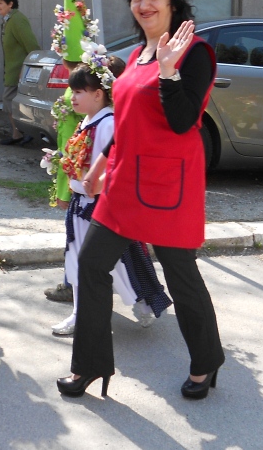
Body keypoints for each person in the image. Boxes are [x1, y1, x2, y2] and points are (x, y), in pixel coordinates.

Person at [57, 0, 224, 402]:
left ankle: (206, 361)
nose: (144, 4)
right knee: (92, 264)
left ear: (172, 3)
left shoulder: (196, 54)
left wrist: (169, 72)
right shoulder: (134, 56)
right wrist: (98, 167)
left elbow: (183, 120)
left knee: (181, 275)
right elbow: (127, 124)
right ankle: (90, 364)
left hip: (168, 186)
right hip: (123, 183)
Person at [43, 55, 172, 337]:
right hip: (82, 204)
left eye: (79, 91)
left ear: (98, 94)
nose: (73, 97)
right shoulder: (88, 121)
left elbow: (114, 167)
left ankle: (143, 305)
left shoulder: (107, 124)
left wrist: (94, 185)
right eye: (73, 91)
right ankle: (81, 314)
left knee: (120, 264)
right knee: (79, 260)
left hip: (101, 207)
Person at [43, 0, 94, 303]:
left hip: (80, 172)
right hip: (77, 169)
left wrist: (64, 183)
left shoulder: (79, 86)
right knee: (80, 232)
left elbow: (76, 140)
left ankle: (73, 285)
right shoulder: (83, 82)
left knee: (76, 233)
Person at [0, 0, 39, 146]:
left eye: (1, 3)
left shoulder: (17, 20)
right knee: (12, 101)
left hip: (20, 71)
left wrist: (28, 69)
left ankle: (22, 133)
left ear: (10, 4)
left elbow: (31, 45)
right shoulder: (9, 20)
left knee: (10, 100)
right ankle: (18, 133)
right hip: (12, 70)